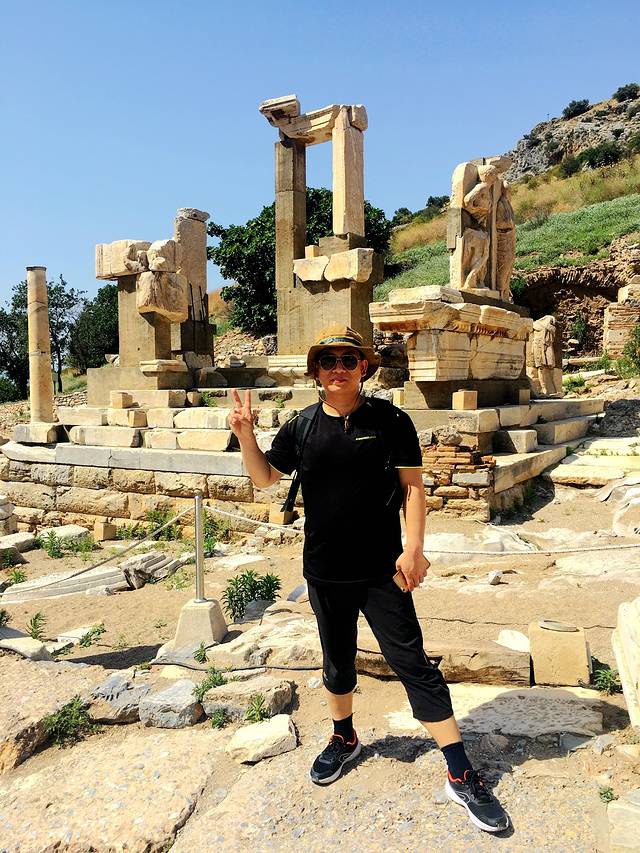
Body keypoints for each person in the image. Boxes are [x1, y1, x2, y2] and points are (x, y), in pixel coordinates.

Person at [229, 325, 509, 833]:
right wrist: (246, 435)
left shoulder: (390, 420)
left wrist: (414, 548)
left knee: (412, 662)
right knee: (337, 659)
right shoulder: (301, 426)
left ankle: (459, 770)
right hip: (325, 570)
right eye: (328, 360)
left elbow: (412, 488)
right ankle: (344, 737)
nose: (338, 367)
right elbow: (265, 479)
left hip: (383, 569)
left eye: (348, 359)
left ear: (363, 367)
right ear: (316, 371)